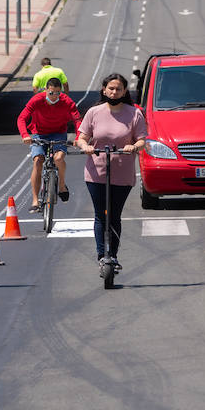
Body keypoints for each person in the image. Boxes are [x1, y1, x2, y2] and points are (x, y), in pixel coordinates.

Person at [75, 73, 148, 273]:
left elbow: (142, 140)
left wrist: (133, 146)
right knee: (100, 215)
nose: (114, 92)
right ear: (104, 89)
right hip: (96, 172)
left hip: (122, 172)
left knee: (114, 215)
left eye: (118, 89)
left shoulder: (134, 114)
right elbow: (82, 137)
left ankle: (113, 256)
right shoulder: (94, 112)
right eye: (111, 88)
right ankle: (102, 256)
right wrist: (86, 146)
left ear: (124, 91)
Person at [17, 77, 82, 213]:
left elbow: (77, 120)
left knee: (58, 158)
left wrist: (78, 138)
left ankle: (62, 185)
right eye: (51, 93)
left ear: (61, 92)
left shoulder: (66, 102)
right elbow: (22, 118)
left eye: (58, 93)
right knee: (38, 160)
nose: (54, 96)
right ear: (46, 90)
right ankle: (35, 201)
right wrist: (25, 135)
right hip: (38, 133)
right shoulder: (37, 100)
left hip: (59, 133)